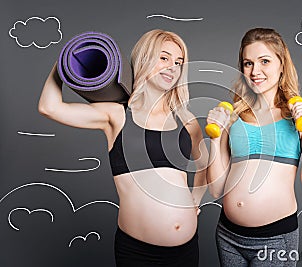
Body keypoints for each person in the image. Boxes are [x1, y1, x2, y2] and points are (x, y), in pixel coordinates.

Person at [38, 29, 208, 267]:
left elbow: (204, 166)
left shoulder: (186, 119)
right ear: (144, 59)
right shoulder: (117, 115)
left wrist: (195, 200)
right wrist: (64, 62)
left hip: (187, 251)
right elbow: (49, 107)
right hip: (138, 253)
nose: (172, 67)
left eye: (178, 62)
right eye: (164, 58)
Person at [206, 28, 302, 266]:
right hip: (228, 235)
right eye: (248, 63)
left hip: (275, 239)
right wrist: (214, 138)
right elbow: (216, 190)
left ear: (282, 64)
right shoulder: (234, 116)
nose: (255, 71)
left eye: (265, 61)